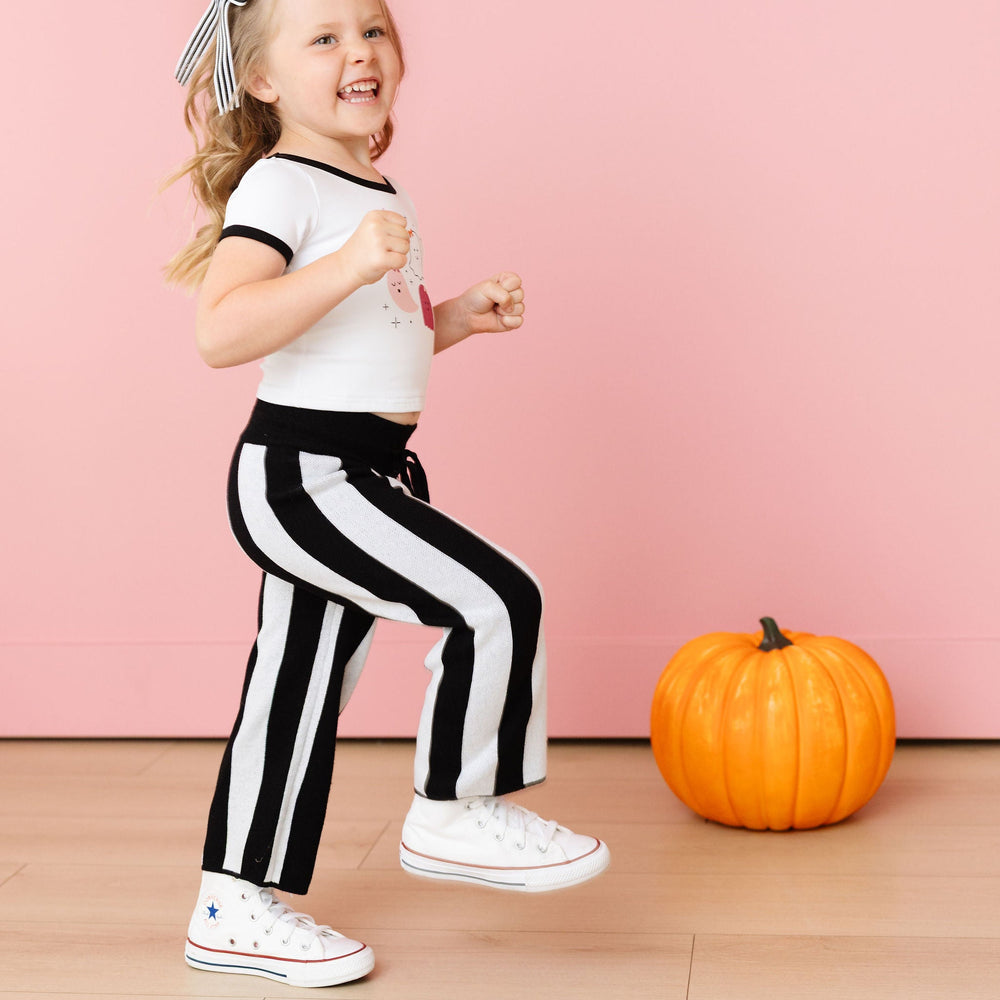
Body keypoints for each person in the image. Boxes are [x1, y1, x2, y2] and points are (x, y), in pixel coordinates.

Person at [167, 0, 610, 987]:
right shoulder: (282, 185)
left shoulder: (375, 184)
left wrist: (452, 317)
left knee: (295, 690)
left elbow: (372, 342)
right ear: (267, 81)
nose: (358, 50)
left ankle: (233, 901)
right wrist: (345, 260)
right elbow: (222, 330)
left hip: (359, 467)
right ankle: (455, 808)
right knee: (498, 596)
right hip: (305, 474)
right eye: (322, 37)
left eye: (370, 27)